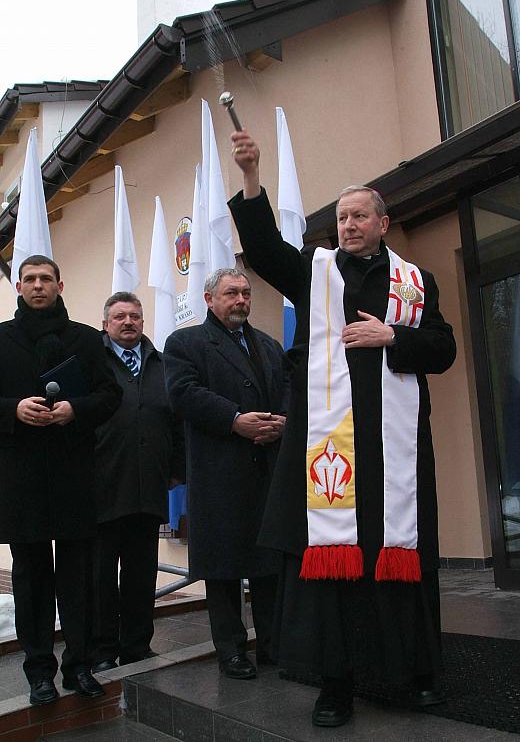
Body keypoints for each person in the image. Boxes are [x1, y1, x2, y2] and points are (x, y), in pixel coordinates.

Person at [228, 131, 457, 727]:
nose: (348, 225)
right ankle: (335, 686)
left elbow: (443, 348)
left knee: (400, 556)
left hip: (395, 450)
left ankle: (414, 672)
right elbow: (264, 249)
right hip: (329, 446)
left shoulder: (416, 282)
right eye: (342, 217)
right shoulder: (316, 271)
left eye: (359, 216)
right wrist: (252, 178)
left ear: (383, 222)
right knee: (333, 564)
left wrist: (392, 336)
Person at [0, 255, 121, 705]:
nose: (38, 286)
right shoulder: (2, 339)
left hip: (73, 477)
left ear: (59, 285)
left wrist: (76, 409)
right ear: (18, 287)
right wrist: (13, 410)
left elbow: (110, 395)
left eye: (45, 279)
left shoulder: (86, 339)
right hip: (21, 480)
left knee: (78, 579)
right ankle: (39, 674)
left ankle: (79, 667)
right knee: (31, 580)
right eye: (30, 279)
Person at [163, 268, 287, 679]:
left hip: (265, 470)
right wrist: (234, 420)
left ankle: (273, 646)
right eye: (231, 293)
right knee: (222, 570)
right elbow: (183, 393)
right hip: (219, 475)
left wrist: (283, 422)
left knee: (269, 566)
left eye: (246, 293)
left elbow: (289, 388)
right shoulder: (185, 343)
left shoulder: (268, 345)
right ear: (209, 299)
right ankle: (232, 650)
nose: (241, 300)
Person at [91, 292, 185, 672]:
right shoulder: (91, 362)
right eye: (119, 317)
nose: (128, 322)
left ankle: (136, 647)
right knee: (100, 577)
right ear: (105, 324)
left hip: (149, 489)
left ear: (143, 322)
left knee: (141, 575)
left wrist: (177, 469)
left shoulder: (162, 365)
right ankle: (101, 651)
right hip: (102, 489)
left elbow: (177, 422)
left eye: (135, 316)